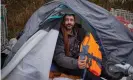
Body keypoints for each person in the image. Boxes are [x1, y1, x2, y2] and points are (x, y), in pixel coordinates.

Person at [53, 13, 102, 80]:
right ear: (64, 22)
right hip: (68, 64)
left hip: (80, 57)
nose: (69, 22)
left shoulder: (78, 31)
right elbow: (59, 58)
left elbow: (88, 41)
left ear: (74, 22)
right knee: (90, 75)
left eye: (71, 20)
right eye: (67, 20)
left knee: (100, 67)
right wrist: (77, 63)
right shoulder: (59, 35)